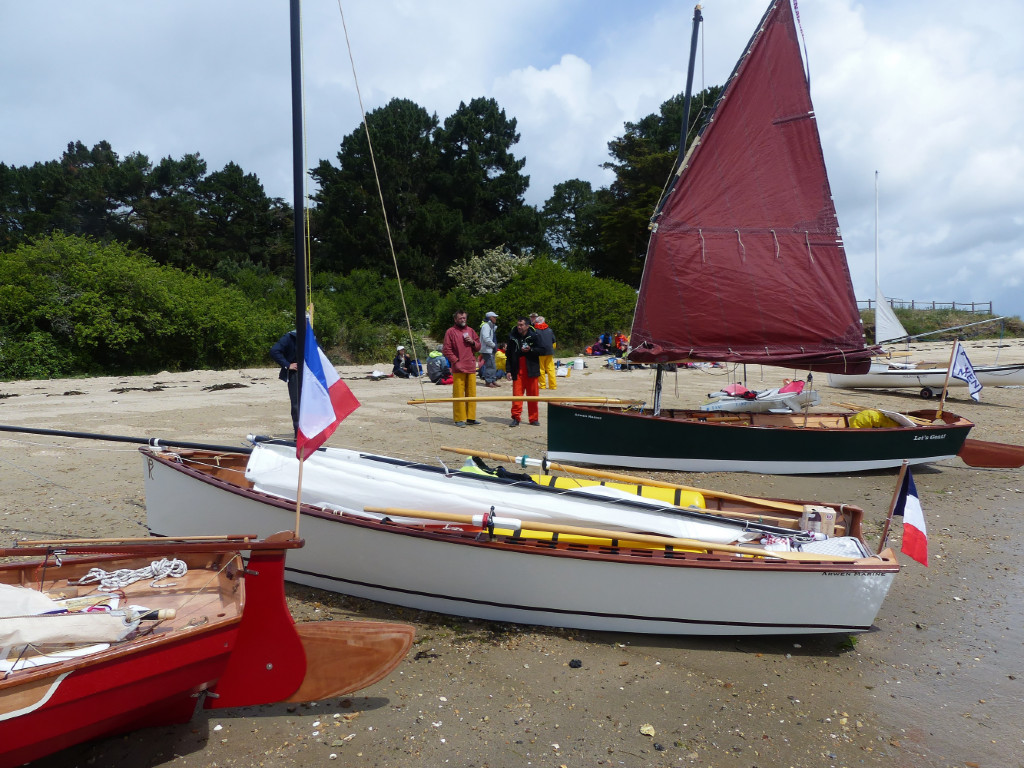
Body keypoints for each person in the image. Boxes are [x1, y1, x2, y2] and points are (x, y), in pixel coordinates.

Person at [442, 309, 482, 427]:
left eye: (464, 318)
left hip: (470, 366)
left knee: (472, 393)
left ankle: (471, 417)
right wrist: (456, 361)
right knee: (458, 394)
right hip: (458, 367)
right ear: (455, 319)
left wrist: (473, 342)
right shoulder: (450, 332)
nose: (463, 320)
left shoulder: (471, 331)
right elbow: (446, 349)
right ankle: (459, 418)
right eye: (460, 318)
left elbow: (479, 347)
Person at [506, 316, 541, 427]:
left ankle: (534, 419)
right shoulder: (512, 337)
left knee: (533, 397)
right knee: (516, 397)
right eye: (518, 325)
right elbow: (509, 355)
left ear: (527, 326)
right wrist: (508, 370)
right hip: (517, 371)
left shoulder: (535, 336)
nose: (519, 327)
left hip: (531, 369)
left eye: (521, 325)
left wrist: (531, 350)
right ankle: (516, 418)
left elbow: (543, 350)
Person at [269, 328, 299, 436]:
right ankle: (298, 433)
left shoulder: (311, 336)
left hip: (311, 375)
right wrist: (287, 364)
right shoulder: (290, 337)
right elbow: (274, 351)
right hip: (295, 374)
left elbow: (320, 351)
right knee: (297, 406)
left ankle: (311, 432)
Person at [533, 315, 557, 390]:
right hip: (549, 351)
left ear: (537, 322)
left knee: (541, 369)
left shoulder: (535, 331)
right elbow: (554, 341)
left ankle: (542, 386)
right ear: (544, 322)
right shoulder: (549, 330)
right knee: (551, 369)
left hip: (540, 352)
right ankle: (553, 386)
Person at [478, 311, 500, 388]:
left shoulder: (491, 326)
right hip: (487, 349)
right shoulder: (486, 326)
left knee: (493, 365)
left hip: (490, 349)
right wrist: (493, 345)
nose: (496, 319)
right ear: (490, 318)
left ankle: (493, 380)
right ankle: (488, 381)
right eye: (494, 317)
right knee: (490, 365)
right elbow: (486, 338)